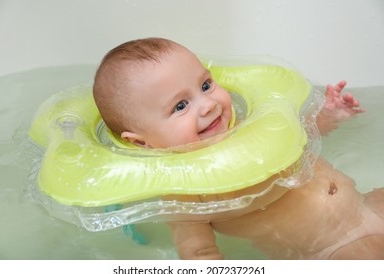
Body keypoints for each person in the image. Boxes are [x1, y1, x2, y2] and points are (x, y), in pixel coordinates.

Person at [93, 37, 384, 259]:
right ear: (142, 142)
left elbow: (303, 138)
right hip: (334, 247)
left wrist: (330, 115)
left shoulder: (250, 125)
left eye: (205, 85)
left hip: (366, 204)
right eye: (180, 106)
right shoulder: (183, 190)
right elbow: (197, 252)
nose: (208, 104)